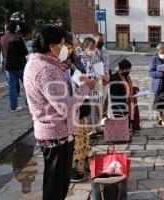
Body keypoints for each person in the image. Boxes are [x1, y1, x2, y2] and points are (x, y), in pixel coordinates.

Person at [24, 25, 96, 200]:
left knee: (55, 182)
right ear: (52, 46)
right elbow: (65, 107)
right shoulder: (46, 70)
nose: (66, 48)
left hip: (55, 131)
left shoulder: (41, 64)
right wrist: (86, 88)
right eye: (63, 43)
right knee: (56, 185)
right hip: (57, 134)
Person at [64, 32, 91, 183]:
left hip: (81, 105)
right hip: (73, 107)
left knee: (82, 138)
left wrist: (85, 79)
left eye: (74, 47)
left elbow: (80, 75)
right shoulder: (61, 65)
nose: (73, 49)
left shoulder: (74, 61)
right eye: (71, 46)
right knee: (75, 143)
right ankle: (75, 170)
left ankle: (83, 165)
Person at [1, 21, 28, 111]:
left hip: (8, 65)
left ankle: (13, 106)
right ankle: (29, 101)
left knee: (12, 86)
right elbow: (25, 51)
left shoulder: (3, 38)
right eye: (17, 26)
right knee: (27, 84)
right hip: (19, 65)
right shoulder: (17, 38)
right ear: (15, 28)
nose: (18, 27)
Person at [110, 58, 140, 130]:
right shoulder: (114, 78)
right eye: (127, 70)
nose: (128, 71)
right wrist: (127, 96)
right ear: (121, 69)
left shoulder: (126, 76)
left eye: (129, 70)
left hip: (128, 102)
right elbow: (115, 94)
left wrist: (134, 89)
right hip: (119, 104)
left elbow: (128, 87)